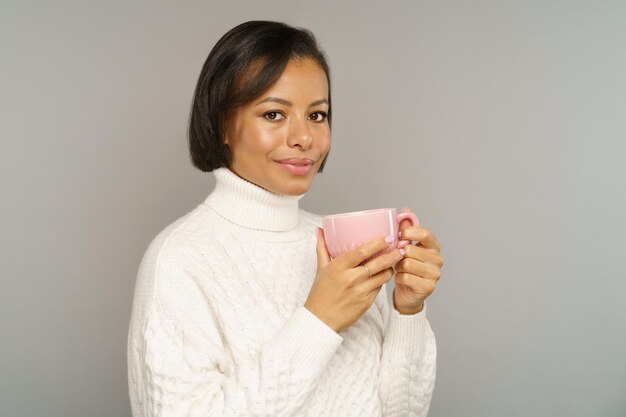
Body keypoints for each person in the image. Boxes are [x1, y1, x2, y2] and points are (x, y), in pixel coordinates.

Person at [127, 20, 444, 417]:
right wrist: (319, 321)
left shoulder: (339, 246)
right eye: (275, 114)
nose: (304, 138)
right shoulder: (179, 259)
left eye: (317, 115)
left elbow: (404, 411)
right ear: (222, 125)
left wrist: (407, 310)